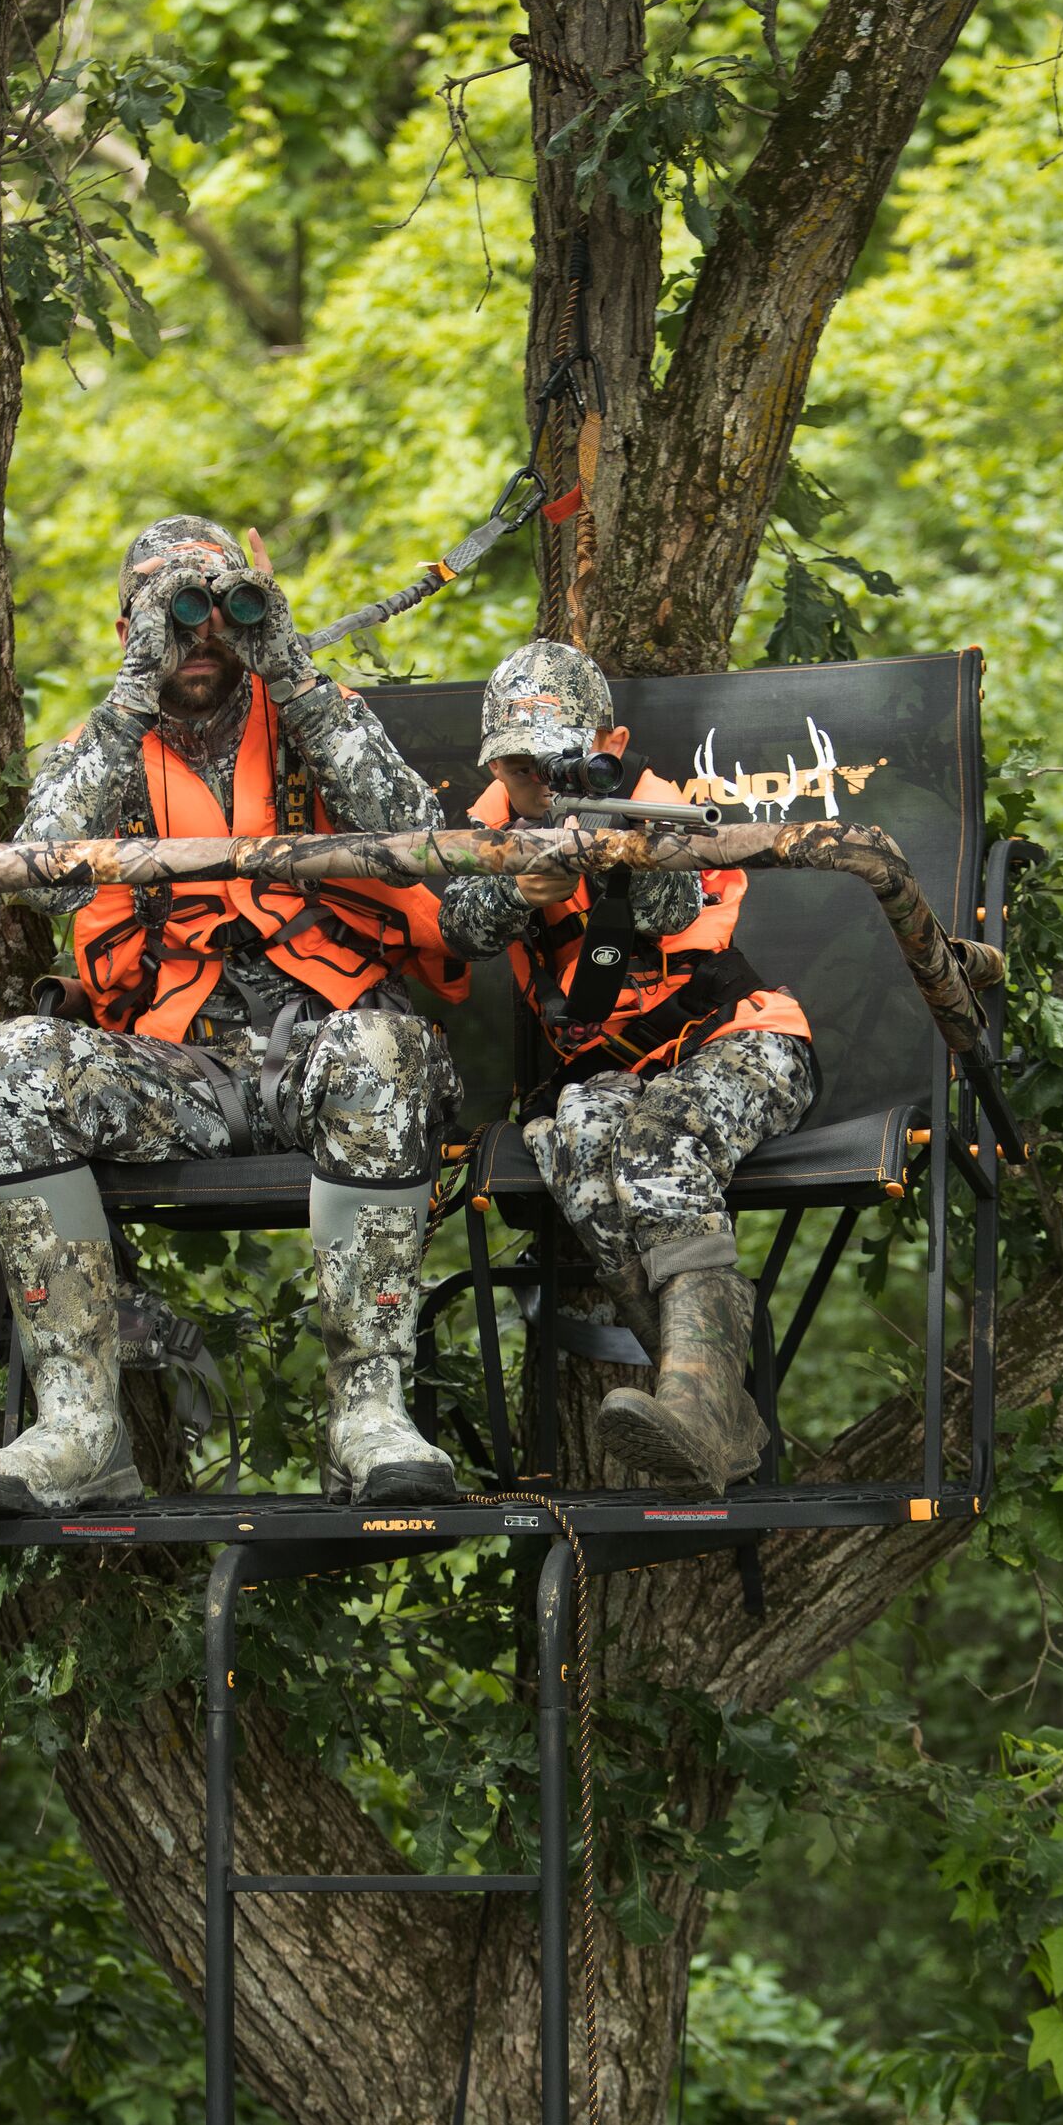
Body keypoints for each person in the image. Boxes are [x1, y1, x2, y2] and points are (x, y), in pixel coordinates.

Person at [0, 518, 467, 1516]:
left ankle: (369, 1414)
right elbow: (44, 875)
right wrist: (131, 690)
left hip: (335, 1047)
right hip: (180, 1066)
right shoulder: (105, 743)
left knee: (389, 1049)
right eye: (174, 615)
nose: (202, 638)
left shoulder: (313, 715)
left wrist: (287, 663)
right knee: (15, 1061)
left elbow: (416, 832)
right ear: (128, 629)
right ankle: (77, 1427)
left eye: (218, 613)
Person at [437, 639, 817, 1492]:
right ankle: (710, 1403)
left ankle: (702, 1399)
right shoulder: (497, 817)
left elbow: (679, 903)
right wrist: (517, 886)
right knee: (574, 1149)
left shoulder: (655, 806)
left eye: (549, 760)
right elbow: (458, 925)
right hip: (617, 1074)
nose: (533, 778)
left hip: (744, 1044)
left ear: (601, 745)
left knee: (653, 1146)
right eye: (515, 764)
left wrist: (616, 851)